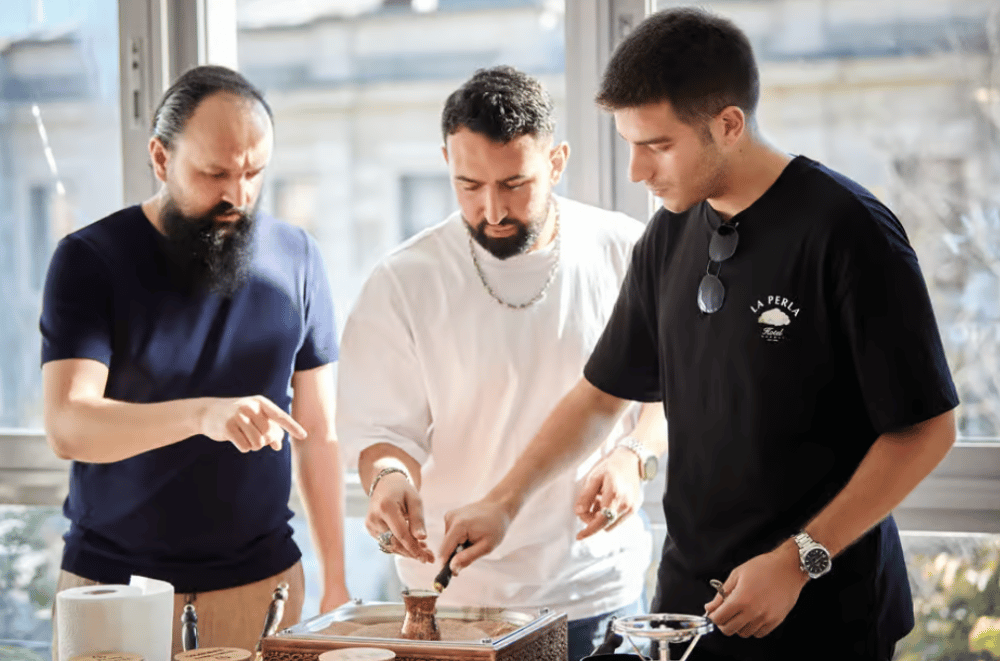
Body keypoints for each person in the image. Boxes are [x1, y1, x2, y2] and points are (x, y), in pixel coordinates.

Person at [439, 8, 960, 661]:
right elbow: (602, 395)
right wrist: (503, 501)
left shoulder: (847, 230)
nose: (636, 170)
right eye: (629, 143)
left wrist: (799, 559)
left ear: (729, 125)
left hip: (822, 612)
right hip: (691, 613)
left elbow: (925, 429)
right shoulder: (668, 234)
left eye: (657, 145)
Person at [336, 65, 667, 661]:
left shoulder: (626, 250)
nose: (492, 209)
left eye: (515, 183)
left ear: (557, 161)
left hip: (595, 593)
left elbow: (671, 392)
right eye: (469, 185)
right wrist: (388, 481)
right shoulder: (402, 282)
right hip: (453, 604)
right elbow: (382, 435)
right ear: (445, 160)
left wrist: (633, 454)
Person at [40, 65, 350, 658]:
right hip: (115, 592)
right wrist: (203, 414)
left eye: (254, 172)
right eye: (215, 173)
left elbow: (319, 435)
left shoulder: (299, 256)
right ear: (160, 158)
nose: (238, 194)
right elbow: (68, 425)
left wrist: (335, 580)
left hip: (266, 590)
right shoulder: (89, 260)